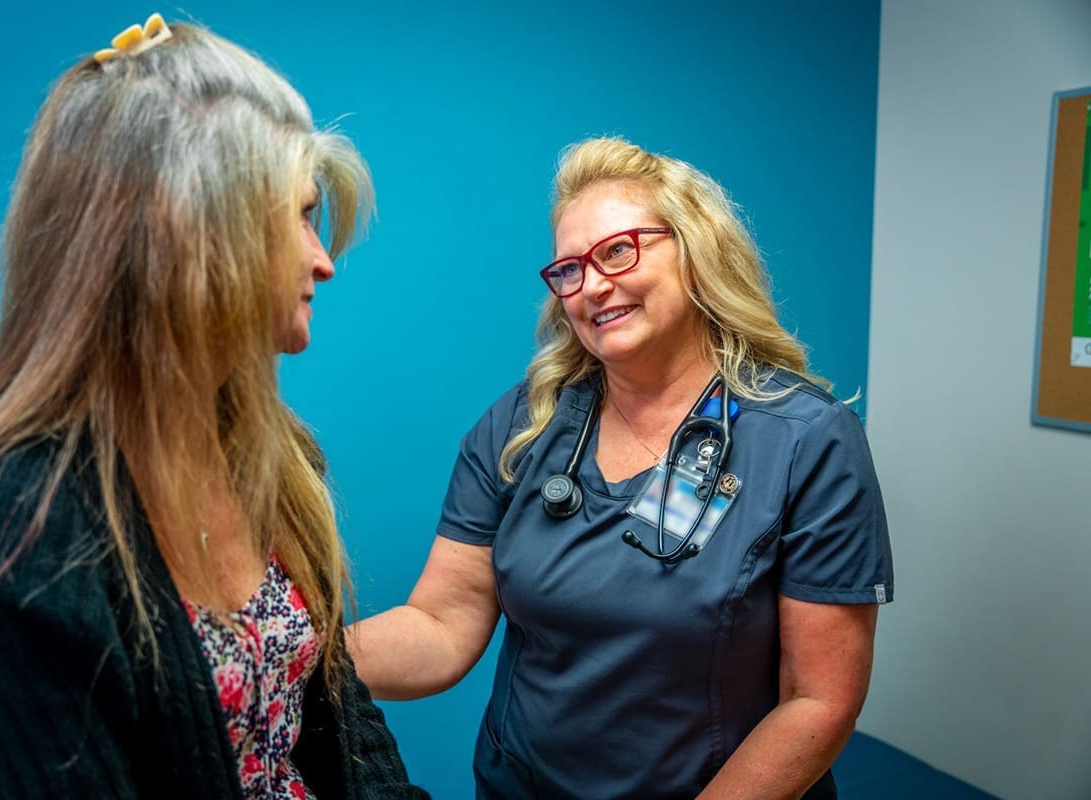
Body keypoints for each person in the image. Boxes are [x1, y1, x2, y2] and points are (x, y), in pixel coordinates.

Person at [0, 14, 426, 800]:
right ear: (192, 229)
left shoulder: (276, 456)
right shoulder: (11, 526)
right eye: (302, 215)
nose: (325, 262)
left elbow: (341, 720)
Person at [348, 137, 893, 799]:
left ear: (696, 251)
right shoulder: (522, 428)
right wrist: (296, 658)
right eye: (569, 270)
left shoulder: (805, 442)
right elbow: (440, 625)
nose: (592, 286)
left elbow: (817, 701)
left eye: (618, 251)